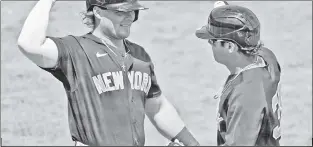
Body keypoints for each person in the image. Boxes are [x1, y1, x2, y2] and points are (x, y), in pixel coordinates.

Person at [17, 0, 200, 146]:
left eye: (132, 11)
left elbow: (157, 107)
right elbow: (29, 44)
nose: (129, 17)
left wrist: (191, 143)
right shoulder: (76, 51)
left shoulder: (140, 56)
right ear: (97, 11)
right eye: (121, 12)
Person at [195, 1, 282, 146]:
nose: (209, 44)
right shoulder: (267, 58)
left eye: (212, 41)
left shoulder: (246, 93)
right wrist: (225, 14)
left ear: (230, 46)